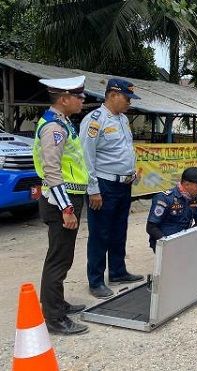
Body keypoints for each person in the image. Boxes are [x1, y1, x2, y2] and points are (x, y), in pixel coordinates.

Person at [33, 76, 89, 335]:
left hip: (66, 198)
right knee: (58, 258)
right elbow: (52, 170)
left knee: (62, 256)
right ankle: (54, 318)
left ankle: (57, 304)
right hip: (60, 201)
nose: (82, 100)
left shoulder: (63, 123)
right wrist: (67, 209)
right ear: (64, 98)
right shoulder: (53, 128)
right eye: (78, 96)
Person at [80, 78, 143, 299]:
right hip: (104, 186)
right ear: (113, 95)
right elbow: (86, 157)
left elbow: (124, 149)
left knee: (119, 230)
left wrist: (132, 171)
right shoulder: (94, 120)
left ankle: (117, 271)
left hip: (123, 185)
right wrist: (93, 190)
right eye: (127, 98)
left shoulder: (123, 119)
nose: (129, 103)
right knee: (100, 234)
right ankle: (96, 281)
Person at [146, 167, 197, 252]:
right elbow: (151, 227)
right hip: (164, 241)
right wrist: (167, 243)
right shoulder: (164, 198)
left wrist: (188, 236)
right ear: (187, 184)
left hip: (185, 240)